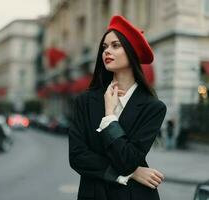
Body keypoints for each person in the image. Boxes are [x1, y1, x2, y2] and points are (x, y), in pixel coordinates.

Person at [69, 15, 167, 200]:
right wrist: (132, 173)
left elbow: (129, 159)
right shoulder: (85, 101)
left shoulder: (153, 107)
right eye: (104, 47)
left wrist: (110, 117)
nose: (107, 51)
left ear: (132, 53)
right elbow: (77, 157)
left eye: (115, 45)